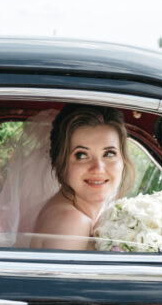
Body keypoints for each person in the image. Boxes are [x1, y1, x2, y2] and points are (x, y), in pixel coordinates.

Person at [31, 105, 134, 249]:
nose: (98, 168)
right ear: (61, 163)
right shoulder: (72, 222)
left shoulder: (69, 211)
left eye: (109, 153)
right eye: (81, 155)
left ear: (123, 159)